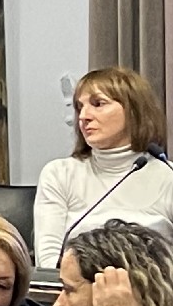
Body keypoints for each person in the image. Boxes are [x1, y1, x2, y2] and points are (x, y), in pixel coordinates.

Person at [33, 68, 173, 268]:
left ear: (133, 110)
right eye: (80, 107)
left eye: (98, 104)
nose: (84, 116)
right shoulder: (59, 174)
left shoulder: (168, 176)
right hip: (75, 286)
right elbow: (48, 262)